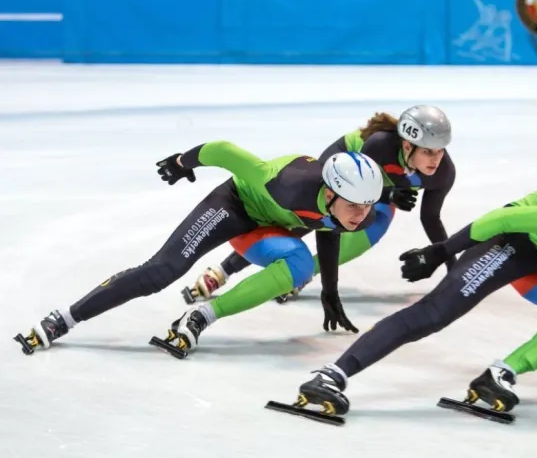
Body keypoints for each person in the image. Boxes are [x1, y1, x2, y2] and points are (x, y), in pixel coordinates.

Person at [281, 166, 537, 417]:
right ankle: (330, 376)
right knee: (434, 313)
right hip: (515, 242)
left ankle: (497, 376)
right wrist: (438, 251)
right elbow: (500, 220)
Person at [13, 141, 384, 357]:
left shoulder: (356, 209)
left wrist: (330, 292)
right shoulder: (288, 184)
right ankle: (65, 317)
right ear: (332, 192)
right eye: (354, 206)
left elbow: (329, 230)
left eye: (367, 206)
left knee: (302, 266)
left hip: (267, 230)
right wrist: (181, 163)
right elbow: (224, 151)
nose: (361, 215)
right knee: (161, 272)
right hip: (235, 206)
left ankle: (201, 316)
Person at [182, 104, 455, 306]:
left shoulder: (443, 173)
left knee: (367, 232)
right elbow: (363, 184)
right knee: (303, 219)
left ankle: (304, 274)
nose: (435, 160)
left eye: (440, 151)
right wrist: (391, 194)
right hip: (343, 167)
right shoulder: (380, 145)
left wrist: (451, 266)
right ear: (407, 147)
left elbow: (431, 218)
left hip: (379, 190)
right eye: (428, 152)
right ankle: (223, 270)